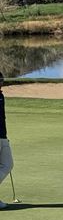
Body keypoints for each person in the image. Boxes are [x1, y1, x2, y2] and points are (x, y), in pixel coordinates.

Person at [0, 72, 14, 209]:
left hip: (2, 136)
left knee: (8, 164)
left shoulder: (1, 96)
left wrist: (4, 135)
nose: (1, 83)